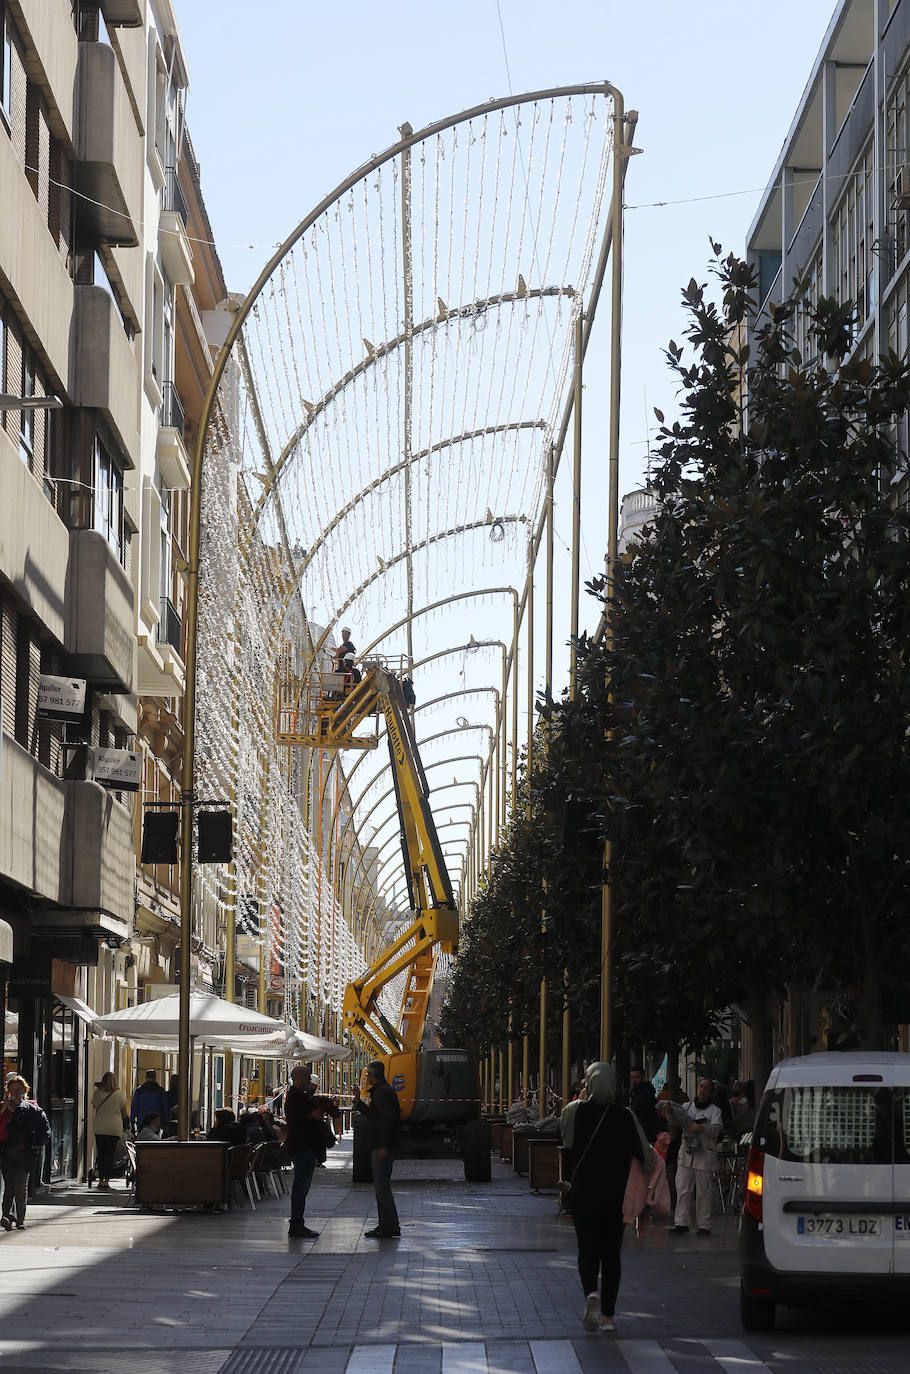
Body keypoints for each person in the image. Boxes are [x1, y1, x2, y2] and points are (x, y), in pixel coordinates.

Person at [559, 1062, 649, 1334]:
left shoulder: (574, 1112)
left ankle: (590, 1294)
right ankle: (608, 1317)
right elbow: (644, 1154)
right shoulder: (625, 1116)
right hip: (615, 1197)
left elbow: (565, 1143)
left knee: (586, 1251)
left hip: (583, 1195)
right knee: (611, 1256)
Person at [284, 1065, 342, 1238]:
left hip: (302, 1146)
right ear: (300, 1078)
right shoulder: (297, 1096)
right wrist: (321, 1105)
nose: (310, 1081)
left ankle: (297, 1222)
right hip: (302, 1147)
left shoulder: (298, 1095)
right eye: (308, 1077)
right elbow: (316, 1114)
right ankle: (297, 1224)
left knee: (302, 1186)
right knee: (301, 1187)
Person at [662, 1078, 723, 1236]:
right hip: (687, 1154)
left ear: (711, 1092)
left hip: (705, 1155)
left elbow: (716, 1129)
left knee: (704, 1192)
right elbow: (674, 1122)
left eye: (706, 1088)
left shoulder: (715, 1111)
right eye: (701, 1086)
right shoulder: (686, 1107)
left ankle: (704, 1225)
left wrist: (701, 1127)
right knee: (682, 1188)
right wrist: (669, 1111)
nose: (702, 1090)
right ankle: (681, 1223)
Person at [353, 1060, 401, 1239]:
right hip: (381, 1146)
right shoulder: (382, 1092)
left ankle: (390, 1226)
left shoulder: (382, 1093)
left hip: (382, 1147)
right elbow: (375, 1117)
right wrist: (358, 1102)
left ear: (372, 1075)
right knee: (381, 1188)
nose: (366, 1078)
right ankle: (385, 1225)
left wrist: (383, 1146)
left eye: (367, 1075)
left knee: (382, 1188)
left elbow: (386, 1122)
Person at [0, 1075, 50, 1231]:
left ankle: (20, 1219)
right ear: (8, 1091)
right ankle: (6, 1216)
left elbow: (45, 1131)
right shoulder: (3, 1108)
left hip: (25, 1153)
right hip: (8, 1154)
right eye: (13, 1089)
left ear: (25, 1091)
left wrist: (33, 1145)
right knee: (9, 1187)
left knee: (21, 1188)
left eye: (19, 1089)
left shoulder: (32, 1107)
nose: (16, 1092)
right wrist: (3, 1109)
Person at [92, 1071, 128, 1190]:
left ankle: (101, 1179)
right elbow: (123, 1110)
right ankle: (106, 1180)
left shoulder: (97, 1092)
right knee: (109, 1155)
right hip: (114, 1128)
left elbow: (95, 1105)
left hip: (100, 1127)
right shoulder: (119, 1094)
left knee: (101, 1154)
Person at [130, 1069, 169, 1135]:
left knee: (142, 1141)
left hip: (142, 1121)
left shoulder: (139, 1090)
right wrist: (165, 1122)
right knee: (154, 1142)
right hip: (156, 1121)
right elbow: (165, 1107)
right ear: (155, 1078)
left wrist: (132, 1122)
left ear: (146, 1077)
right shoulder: (160, 1090)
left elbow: (134, 1107)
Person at [628, 1065, 660, 1143]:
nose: (634, 1080)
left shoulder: (646, 1094)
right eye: (632, 1077)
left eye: (636, 1077)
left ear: (643, 1077)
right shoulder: (634, 1093)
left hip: (646, 1135)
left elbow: (648, 1117)